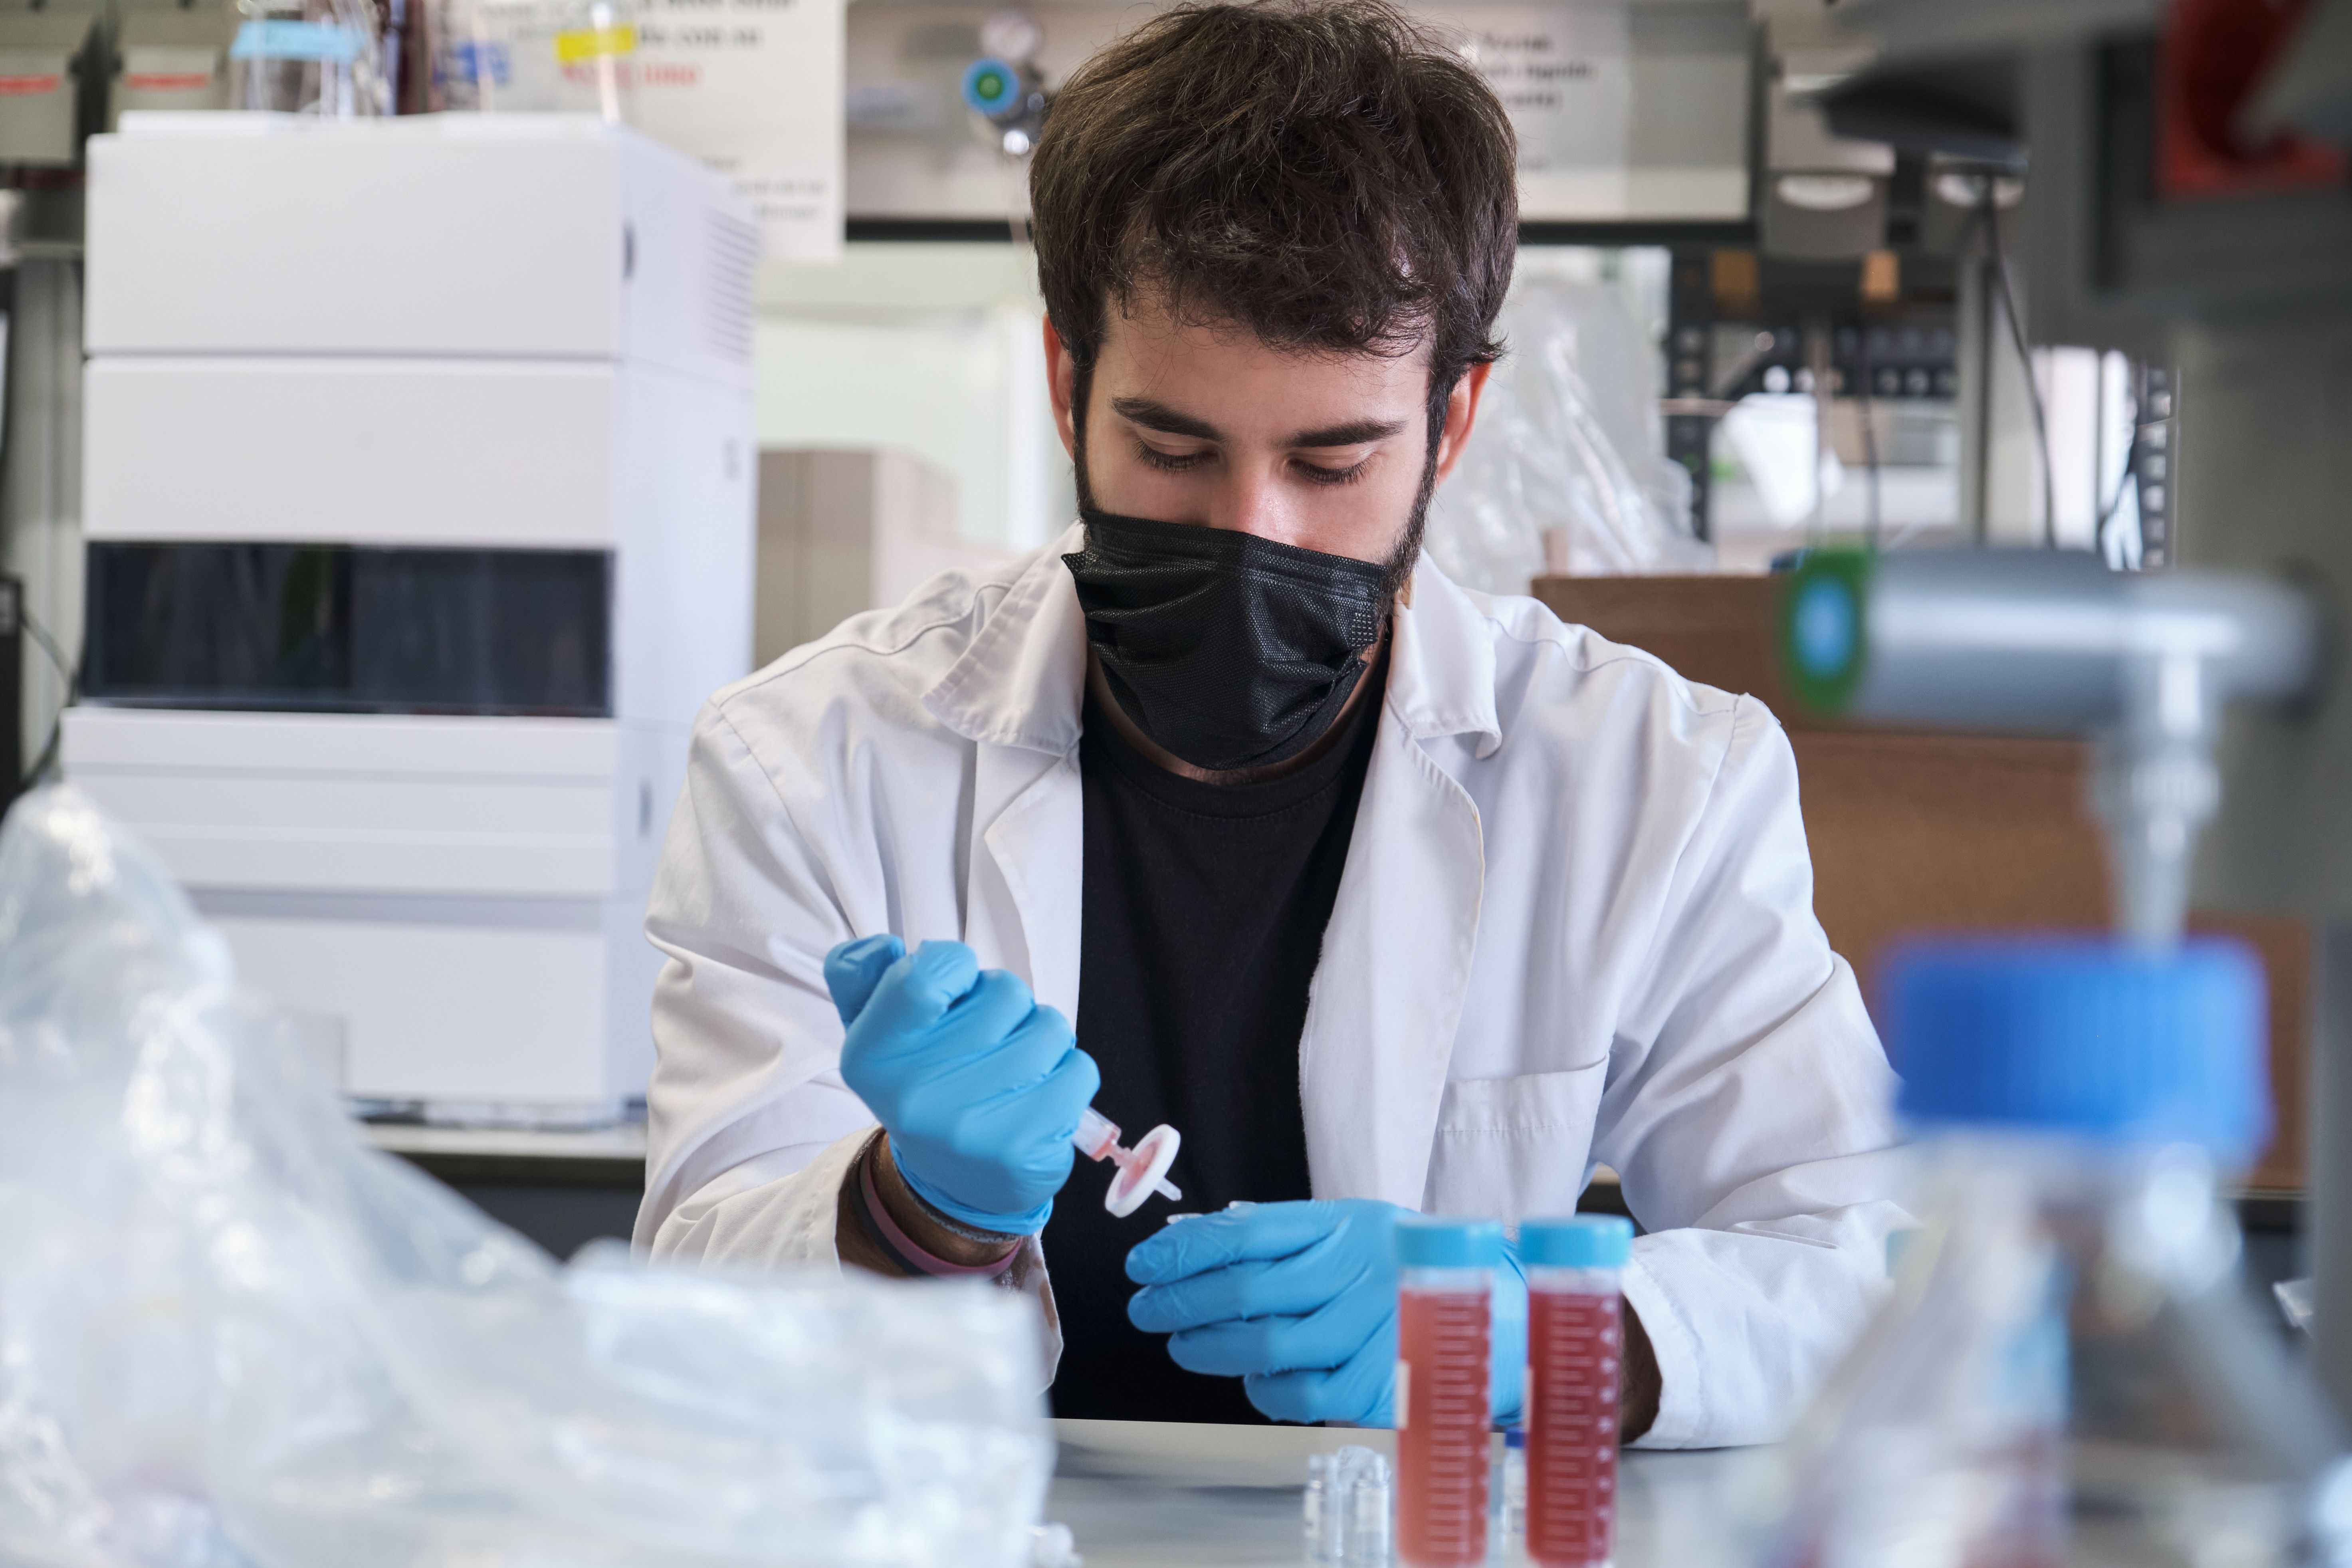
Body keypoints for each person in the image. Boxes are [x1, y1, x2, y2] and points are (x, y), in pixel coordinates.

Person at [633, 0, 1905, 1447]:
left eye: (1332, 459)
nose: (1253, 531)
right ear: (1068, 384)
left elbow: (1863, 1266)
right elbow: (697, 1307)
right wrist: (903, 1212)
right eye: (1172, 449)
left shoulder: (1649, 777)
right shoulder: (812, 759)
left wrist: (1535, 1338)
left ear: (1456, 418)